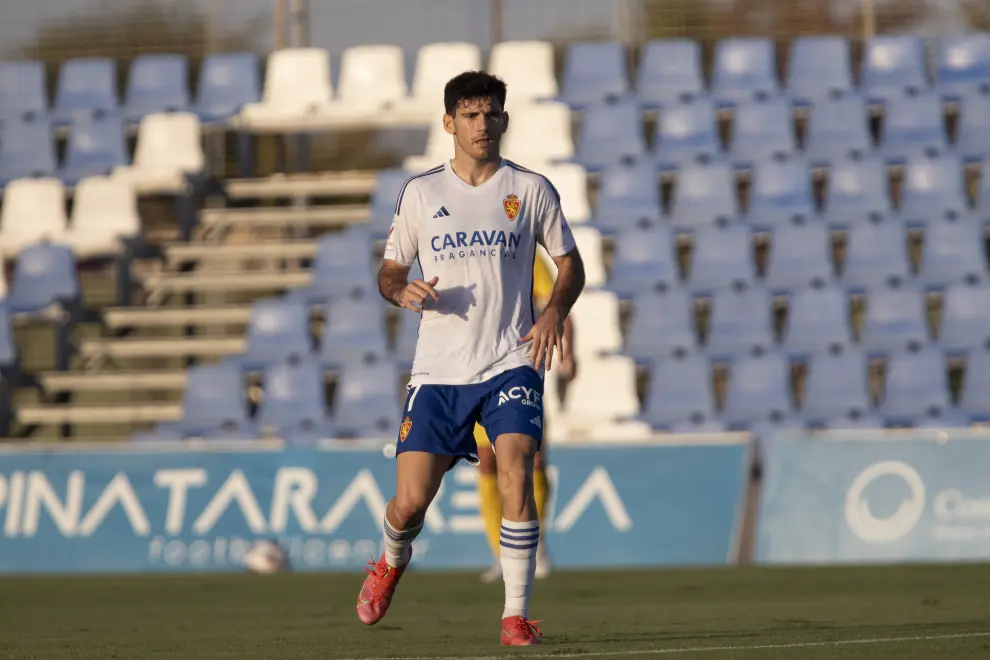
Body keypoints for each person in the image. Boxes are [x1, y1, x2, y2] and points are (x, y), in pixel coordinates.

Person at [356, 70, 585, 647]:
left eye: (491, 114)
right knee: (409, 504)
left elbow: (570, 264)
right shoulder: (421, 193)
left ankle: (515, 616)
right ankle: (389, 560)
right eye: (470, 115)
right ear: (449, 122)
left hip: (510, 360)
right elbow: (389, 270)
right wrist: (399, 289)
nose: (482, 125)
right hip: (440, 371)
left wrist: (555, 309)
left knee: (518, 470)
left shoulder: (530, 189)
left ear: (504, 120)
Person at [474, 252, 577, 584]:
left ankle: (536, 543)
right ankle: (499, 553)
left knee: (531, 460)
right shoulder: (467, 253)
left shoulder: (527, 255)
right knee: (488, 463)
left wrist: (568, 352)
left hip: (520, 367)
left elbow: (556, 305)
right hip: (475, 369)